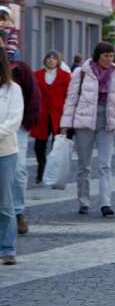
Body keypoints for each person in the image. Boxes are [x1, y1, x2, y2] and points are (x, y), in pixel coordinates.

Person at [61, 42, 115, 217]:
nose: (108, 59)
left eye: (111, 55)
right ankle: (83, 201)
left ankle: (106, 203)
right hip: (84, 122)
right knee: (84, 165)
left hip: (106, 122)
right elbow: (71, 99)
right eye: (105, 55)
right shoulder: (81, 72)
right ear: (97, 55)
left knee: (105, 165)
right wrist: (65, 124)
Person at [7, 41, 39, 236]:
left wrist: (28, 121)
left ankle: (18, 211)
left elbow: (33, 96)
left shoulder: (21, 68)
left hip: (17, 127)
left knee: (18, 170)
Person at [0, 51, 27, 264]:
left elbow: (13, 121)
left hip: (5, 151)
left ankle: (7, 248)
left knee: (5, 202)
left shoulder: (13, 90)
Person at [30, 51, 70, 185]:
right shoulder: (36, 75)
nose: (51, 60)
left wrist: (68, 117)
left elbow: (69, 97)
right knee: (39, 146)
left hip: (58, 115)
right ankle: (41, 169)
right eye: (49, 57)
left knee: (56, 146)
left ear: (58, 61)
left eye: (54, 58)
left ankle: (53, 173)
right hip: (41, 115)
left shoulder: (65, 76)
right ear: (45, 60)